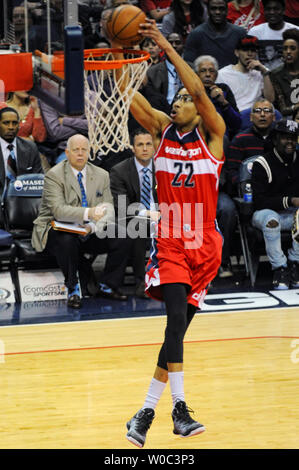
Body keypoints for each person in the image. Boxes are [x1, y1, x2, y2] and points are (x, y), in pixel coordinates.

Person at [110, 18, 225, 447]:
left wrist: (166, 47)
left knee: (175, 334)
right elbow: (127, 94)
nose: (177, 103)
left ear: (197, 108)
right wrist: (121, 53)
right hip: (173, 238)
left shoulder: (212, 136)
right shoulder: (160, 132)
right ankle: (179, 409)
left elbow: (197, 89)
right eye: (173, 100)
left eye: (183, 99)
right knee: (174, 320)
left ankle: (144, 413)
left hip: (206, 246)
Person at [31, 134, 130, 309]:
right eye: (75, 150)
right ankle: (73, 289)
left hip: (89, 229)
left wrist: (92, 226)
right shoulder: (54, 175)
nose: (80, 154)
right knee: (66, 239)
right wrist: (89, 213)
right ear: (67, 153)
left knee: (122, 234)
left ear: (89, 152)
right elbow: (58, 211)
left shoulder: (101, 174)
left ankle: (107, 285)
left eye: (84, 149)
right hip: (57, 228)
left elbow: (108, 207)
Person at [109, 128, 159, 298]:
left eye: (148, 144)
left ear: (154, 147)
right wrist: (147, 214)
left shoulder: (164, 167)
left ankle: (187, 279)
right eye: (140, 145)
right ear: (132, 148)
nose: (145, 148)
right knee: (137, 226)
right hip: (134, 218)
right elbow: (122, 206)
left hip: (163, 215)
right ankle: (141, 282)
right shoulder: (119, 171)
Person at [251, 118, 299, 289]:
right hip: (264, 213)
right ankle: (280, 268)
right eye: (286, 137)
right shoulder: (262, 163)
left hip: (292, 213)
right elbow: (259, 200)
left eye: (293, 138)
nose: (290, 142)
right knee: (272, 220)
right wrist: (289, 200)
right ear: (276, 139)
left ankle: (295, 264)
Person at [227, 98, 276, 194]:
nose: (262, 114)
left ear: (274, 117)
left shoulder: (279, 138)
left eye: (267, 111)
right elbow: (231, 171)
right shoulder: (240, 139)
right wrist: (245, 186)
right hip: (248, 191)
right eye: (257, 111)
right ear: (251, 117)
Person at [216, 35, 275, 112]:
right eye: (245, 50)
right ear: (237, 53)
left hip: (256, 113)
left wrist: (264, 72)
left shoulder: (262, 72)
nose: (249, 54)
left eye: (253, 50)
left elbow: (270, 99)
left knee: (276, 114)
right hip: (235, 114)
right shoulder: (223, 74)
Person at [184, 0, 247, 69]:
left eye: (221, 9)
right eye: (213, 9)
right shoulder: (195, 35)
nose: (217, 12)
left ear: (227, 10)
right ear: (208, 11)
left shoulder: (240, 33)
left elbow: (248, 61)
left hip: (235, 78)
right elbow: (188, 66)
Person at [194, 54, 242, 139]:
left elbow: (237, 123)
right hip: (194, 137)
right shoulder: (187, 90)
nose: (208, 74)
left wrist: (223, 102)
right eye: (203, 71)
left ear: (216, 75)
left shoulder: (224, 89)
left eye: (211, 71)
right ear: (196, 74)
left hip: (219, 138)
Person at [0, 107, 43, 199]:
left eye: (14, 123)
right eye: (6, 123)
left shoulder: (30, 148)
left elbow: (38, 180)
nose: (11, 127)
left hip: (24, 202)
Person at [146, 33, 185, 106]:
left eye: (177, 43)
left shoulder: (192, 69)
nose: (173, 46)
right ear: (163, 47)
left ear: (183, 46)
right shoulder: (152, 72)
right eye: (170, 43)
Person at [270, 28, 299, 118]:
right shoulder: (275, 74)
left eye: (292, 48)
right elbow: (282, 109)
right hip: (287, 121)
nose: (288, 52)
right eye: (285, 48)